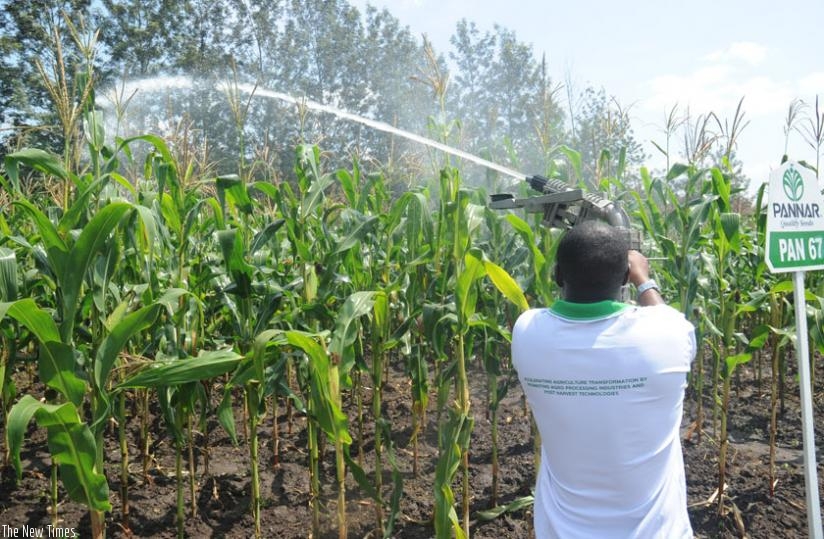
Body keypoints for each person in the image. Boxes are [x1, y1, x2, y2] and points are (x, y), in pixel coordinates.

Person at [511, 220, 695, 539]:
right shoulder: (668, 336)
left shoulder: (527, 334)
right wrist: (644, 280)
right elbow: (666, 319)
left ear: (556, 275)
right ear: (625, 277)